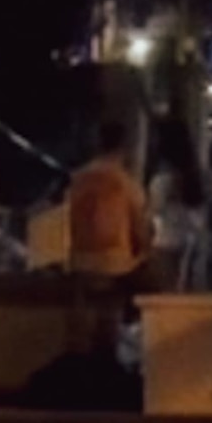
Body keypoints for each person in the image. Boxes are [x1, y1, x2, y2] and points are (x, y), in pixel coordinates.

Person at [68, 121, 156, 356]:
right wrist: (145, 251)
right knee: (120, 303)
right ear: (122, 148)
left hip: (81, 261)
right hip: (115, 263)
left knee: (85, 313)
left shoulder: (78, 179)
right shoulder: (125, 182)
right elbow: (139, 225)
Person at [149, 118, 212, 292]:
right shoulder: (203, 177)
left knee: (165, 300)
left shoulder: (161, 181)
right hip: (196, 244)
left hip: (165, 244)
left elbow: (154, 211)